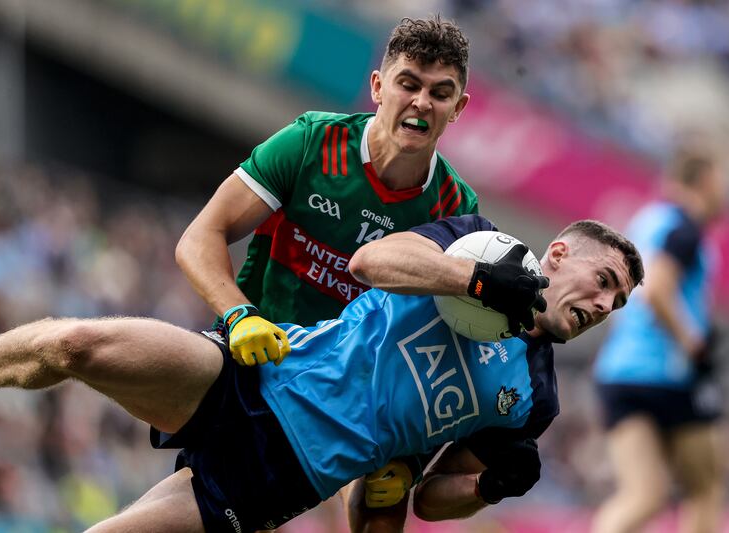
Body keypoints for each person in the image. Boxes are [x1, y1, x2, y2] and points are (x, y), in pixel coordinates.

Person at [0, 214, 641, 532]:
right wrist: (473, 278)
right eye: (604, 281)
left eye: (618, 302)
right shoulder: (476, 241)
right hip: (257, 373)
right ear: (558, 253)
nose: (605, 305)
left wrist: (492, 483)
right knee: (77, 342)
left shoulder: (536, 398)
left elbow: (431, 499)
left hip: (281, 475)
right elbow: (371, 263)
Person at [174, 15, 494, 528]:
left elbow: (436, 344)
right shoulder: (311, 143)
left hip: (339, 399)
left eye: (440, 92)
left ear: (458, 108)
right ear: (377, 86)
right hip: (252, 357)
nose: (420, 102)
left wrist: (410, 462)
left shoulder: (458, 208)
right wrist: (239, 314)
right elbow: (200, 237)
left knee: (384, 508)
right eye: (408, 84)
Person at [591, 142, 729, 533]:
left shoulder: (645, 222)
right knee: (706, 487)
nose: (727, 194)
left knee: (643, 495)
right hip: (670, 373)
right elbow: (658, 290)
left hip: (619, 372)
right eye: (723, 182)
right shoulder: (684, 228)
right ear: (704, 181)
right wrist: (693, 343)